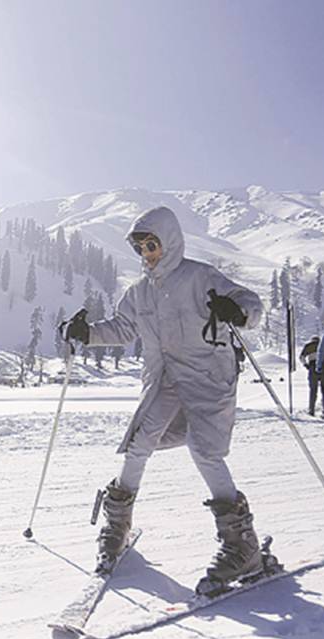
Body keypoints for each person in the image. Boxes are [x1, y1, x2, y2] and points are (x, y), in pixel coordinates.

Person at [61, 206, 265, 591]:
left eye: (152, 245)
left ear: (169, 243)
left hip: (207, 378)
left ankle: (242, 545)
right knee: (139, 443)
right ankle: (118, 524)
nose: (147, 254)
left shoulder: (199, 276)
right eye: (141, 248)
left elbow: (250, 303)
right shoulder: (139, 292)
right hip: (163, 380)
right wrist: (86, 334)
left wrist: (237, 311)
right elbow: (123, 327)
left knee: (205, 451)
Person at [299, 336, 322, 416]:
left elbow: (301, 357)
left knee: (313, 390)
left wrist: (306, 365)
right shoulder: (322, 345)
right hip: (323, 367)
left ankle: (311, 409)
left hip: (312, 366)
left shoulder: (308, 346)